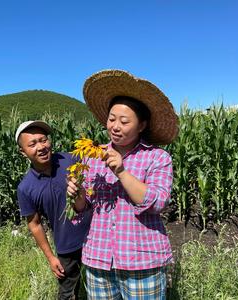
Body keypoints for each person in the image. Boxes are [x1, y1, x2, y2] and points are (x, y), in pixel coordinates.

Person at [67, 70, 179, 299]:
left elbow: (158, 202)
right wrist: (77, 194)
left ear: (141, 125)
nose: (115, 126)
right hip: (99, 259)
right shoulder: (93, 156)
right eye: (111, 119)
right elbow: (85, 206)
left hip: (142, 262)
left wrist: (121, 171)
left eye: (124, 121)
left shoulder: (157, 158)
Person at [15, 120, 91, 300]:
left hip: (95, 237)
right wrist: (51, 258)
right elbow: (34, 225)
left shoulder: (71, 159)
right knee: (68, 293)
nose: (41, 147)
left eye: (43, 140)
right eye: (32, 144)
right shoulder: (26, 188)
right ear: (22, 152)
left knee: (100, 288)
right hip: (67, 247)